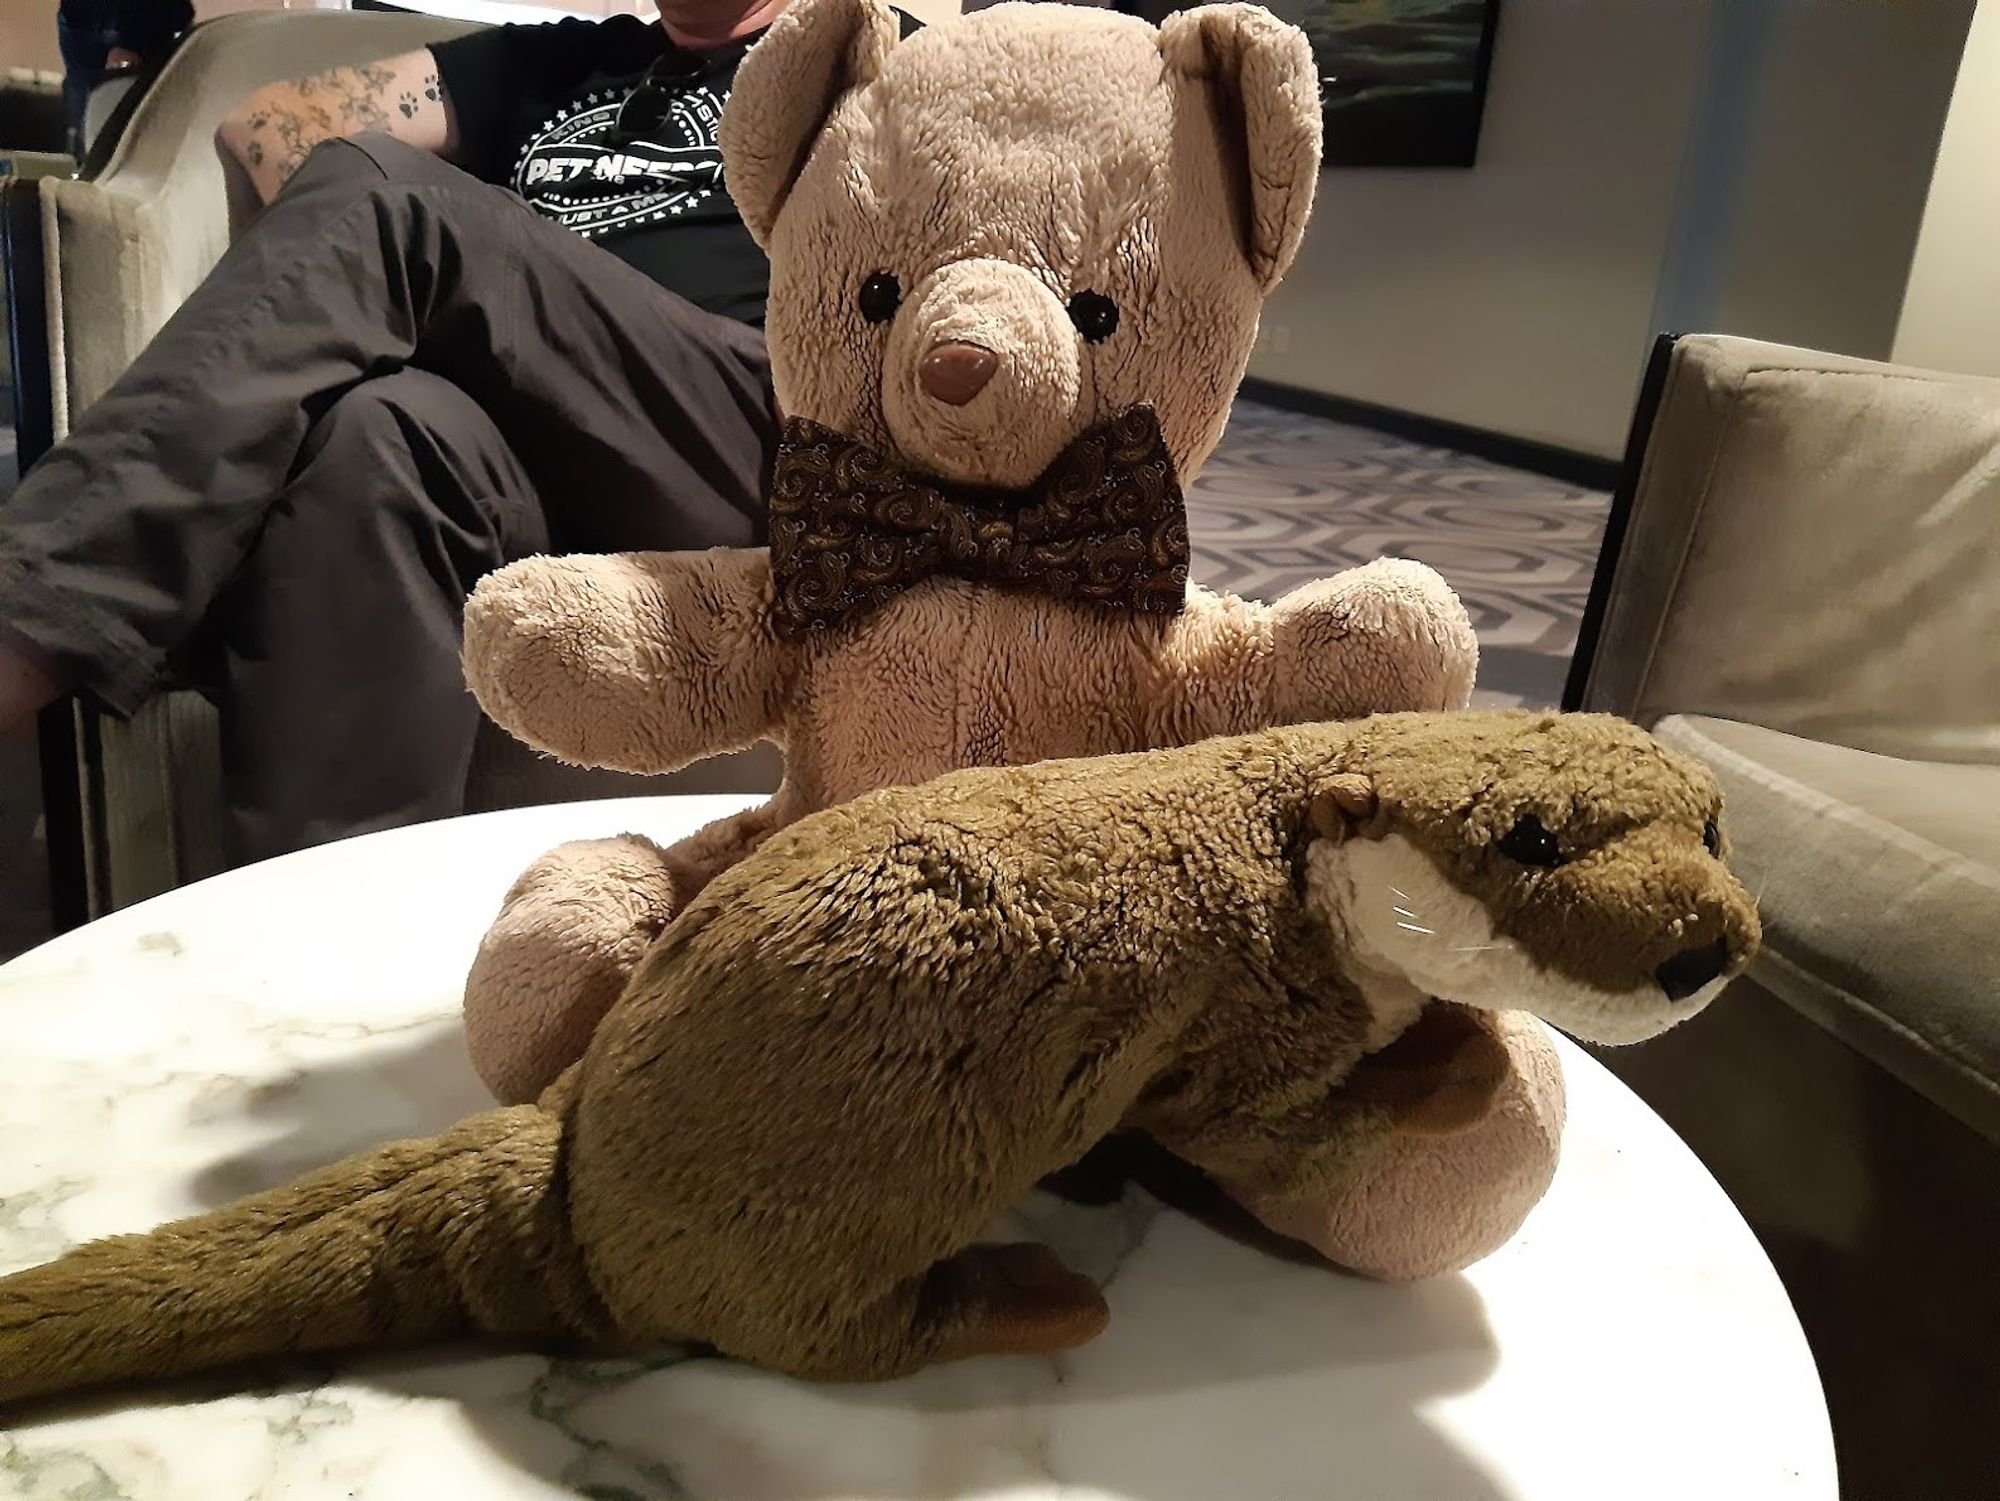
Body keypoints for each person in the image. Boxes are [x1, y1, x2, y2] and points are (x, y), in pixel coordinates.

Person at [0, 0, 898, 864]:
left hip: (760, 430)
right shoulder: (558, 66)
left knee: (390, 198)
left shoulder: (865, 53)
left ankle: (30, 621)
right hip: (553, 446)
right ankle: (328, 958)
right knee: (378, 437)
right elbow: (267, 129)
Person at [55, 0, 195, 156]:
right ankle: (82, 158)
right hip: (94, 19)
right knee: (85, 86)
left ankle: (80, 159)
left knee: (83, 87)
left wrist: (129, 42)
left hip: (102, 19)